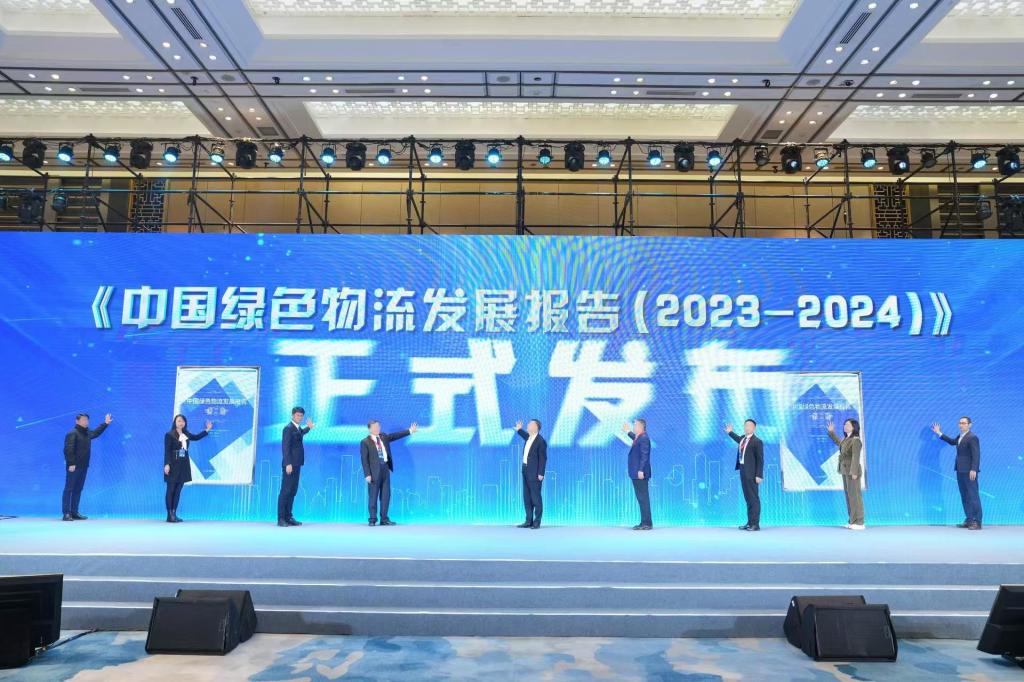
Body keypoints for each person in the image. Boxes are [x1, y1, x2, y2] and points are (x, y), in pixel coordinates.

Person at [360, 419, 418, 526]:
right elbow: (364, 460)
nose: (377, 428)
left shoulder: (383, 437)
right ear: (369, 429)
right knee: (373, 496)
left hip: (385, 469)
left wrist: (410, 430)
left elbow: (395, 436)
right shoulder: (365, 442)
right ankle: (372, 519)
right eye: (374, 427)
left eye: (378, 426)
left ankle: (384, 519)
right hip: (373, 472)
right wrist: (367, 474)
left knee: (386, 495)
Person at [932, 417, 982, 530]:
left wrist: (974, 469)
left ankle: (977, 521)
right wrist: (939, 432)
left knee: (973, 496)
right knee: (964, 496)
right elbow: (952, 442)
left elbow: (976, 454)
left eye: (964, 423)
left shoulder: (972, 437)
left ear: (969, 425)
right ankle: (969, 519)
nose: (961, 425)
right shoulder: (960, 436)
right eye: (960, 423)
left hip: (970, 472)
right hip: (960, 471)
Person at [62, 412, 112, 521]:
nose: (86, 422)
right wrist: (71, 463)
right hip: (73, 467)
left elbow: (95, 433)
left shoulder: (87, 432)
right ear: (77, 421)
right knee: (69, 489)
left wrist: (105, 423)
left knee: (78, 489)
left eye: (87, 420)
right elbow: (68, 449)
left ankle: (74, 512)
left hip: (84, 466)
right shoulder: (72, 433)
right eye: (84, 420)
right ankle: (66, 513)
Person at [163, 414, 212, 523]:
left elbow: (196, 437)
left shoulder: (186, 434)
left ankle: (174, 514)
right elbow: (167, 451)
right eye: (179, 421)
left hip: (183, 465)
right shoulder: (169, 435)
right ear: (175, 422)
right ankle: (169, 515)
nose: (181, 423)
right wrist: (167, 464)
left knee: (178, 490)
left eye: (183, 421)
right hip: (172, 465)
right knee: (171, 489)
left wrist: (207, 430)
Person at [725, 419, 763, 531]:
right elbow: (737, 438)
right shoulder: (743, 438)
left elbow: (760, 460)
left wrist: (759, 475)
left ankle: (755, 524)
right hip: (743, 471)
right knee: (748, 498)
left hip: (752, 474)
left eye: (749, 426)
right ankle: (750, 523)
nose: (747, 427)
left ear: (754, 428)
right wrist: (730, 432)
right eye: (745, 425)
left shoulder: (757, 441)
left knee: (754, 499)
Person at [279, 407, 314, 527]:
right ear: (293, 415)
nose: (299, 417)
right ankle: (281, 518)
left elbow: (300, 434)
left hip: (297, 464)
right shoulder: (288, 428)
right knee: (285, 491)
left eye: (301, 416)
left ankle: (288, 517)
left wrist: (309, 427)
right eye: (298, 415)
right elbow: (285, 447)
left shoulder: (297, 428)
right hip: (290, 465)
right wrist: (288, 463)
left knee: (293, 491)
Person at [827, 419, 864, 530]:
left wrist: (854, 472)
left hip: (852, 472)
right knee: (849, 497)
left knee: (855, 497)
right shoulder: (846, 439)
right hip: (845, 470)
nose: (845, 426)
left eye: (847, 424)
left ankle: (859, 522)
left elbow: (856, 457)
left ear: (854, 427)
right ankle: (852, 520)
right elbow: (839, 443)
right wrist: (831, 432)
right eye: (844, 424)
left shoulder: (856, 440)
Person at [514, 419, 547, 529]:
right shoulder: (529, 437)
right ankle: (528, 521)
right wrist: (519, 430)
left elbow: (543, 458)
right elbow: (524, 435)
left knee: (535, 497)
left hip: (535, 472)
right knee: (527, 497)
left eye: (530, 424)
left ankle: (537, 522)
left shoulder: (541, 441)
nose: (527, 425)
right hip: (525, 469)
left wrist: (541, 473)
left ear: (535, 427)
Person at [621, 418, 652, 530]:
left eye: (635, 425)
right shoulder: (640, 437)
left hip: (640, 473)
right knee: (641, 498)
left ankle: (647, 523)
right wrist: (628, 432)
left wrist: (641, 470)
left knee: (643, 498)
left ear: (640, 426)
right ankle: (644, 522)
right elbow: (635, 438)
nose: (633, 426)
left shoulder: (644, 438)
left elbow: (645, 455)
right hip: (636, 472)